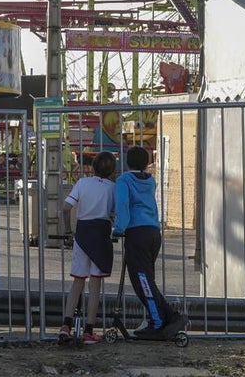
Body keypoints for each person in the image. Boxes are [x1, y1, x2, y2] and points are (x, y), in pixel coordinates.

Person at [112, 145, 188, 339]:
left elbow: (122, 204)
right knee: (147, 280)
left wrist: (118, 228)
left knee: (142, 281)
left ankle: (157, 321)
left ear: (127, 162)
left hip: (136, 233)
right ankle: (170, 316)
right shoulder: (150, 180)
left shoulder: (124, 180)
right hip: (153, 231)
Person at [59, 150, 116, 344]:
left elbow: (66, 208)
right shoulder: (112, 188)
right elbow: (115, 214)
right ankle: (89, 329)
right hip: (101, 236)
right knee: (95, 285)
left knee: (77, 282)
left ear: (93, 167)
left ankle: (66, 325)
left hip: (82, 235)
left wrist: (68, 231)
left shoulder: (82, 183)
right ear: (112, 170)